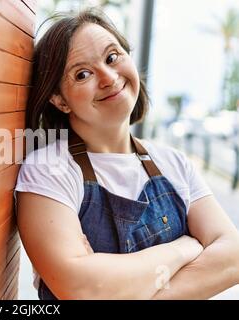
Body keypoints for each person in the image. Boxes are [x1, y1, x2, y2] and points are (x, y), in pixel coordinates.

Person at [14, 9, 239, 300]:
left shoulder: (175, 163)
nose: (108, 77)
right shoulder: (47, 170)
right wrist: (184, 247)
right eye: (83, 74)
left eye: (112, 57)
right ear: (59, 99)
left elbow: (232, 256)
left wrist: (120, 285)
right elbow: (82, 289)